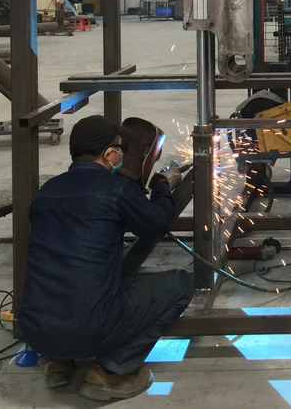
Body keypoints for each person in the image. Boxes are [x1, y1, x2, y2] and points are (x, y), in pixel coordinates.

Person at [18, 114, 193, 401]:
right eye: (120, 148)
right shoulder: (117, 190)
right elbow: (157, 224)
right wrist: (163, 186)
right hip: (90, 330)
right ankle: (112, 372)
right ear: (110, 154)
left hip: (35, 331)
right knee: (180, 283)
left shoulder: (46, 192)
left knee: (71, 278)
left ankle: (57, 363)